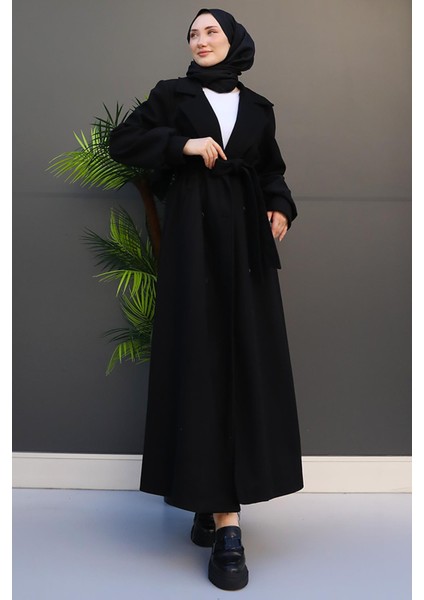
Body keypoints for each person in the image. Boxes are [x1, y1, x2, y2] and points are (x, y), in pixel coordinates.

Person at [109, 7, 303, 591]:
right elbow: (123, 142)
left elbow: (271, 172)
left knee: (242, 363)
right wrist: (183, 144)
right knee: (202, 363)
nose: (200, 39)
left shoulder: (259, 107)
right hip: (193, 243)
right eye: (193, 33)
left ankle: (214, 502)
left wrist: (280, 208)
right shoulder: (172, 95)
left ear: (234, 39)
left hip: (245, 247)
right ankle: (225, 523)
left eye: (211, 30)